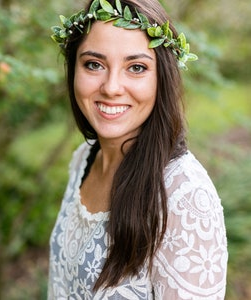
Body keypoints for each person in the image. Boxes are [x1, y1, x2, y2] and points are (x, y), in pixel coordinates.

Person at [48, 0, 228, 298]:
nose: (111, 87)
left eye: (136, 67)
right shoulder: (83, 160)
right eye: (94, 64)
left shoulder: (184, 197)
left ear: (162, 78)